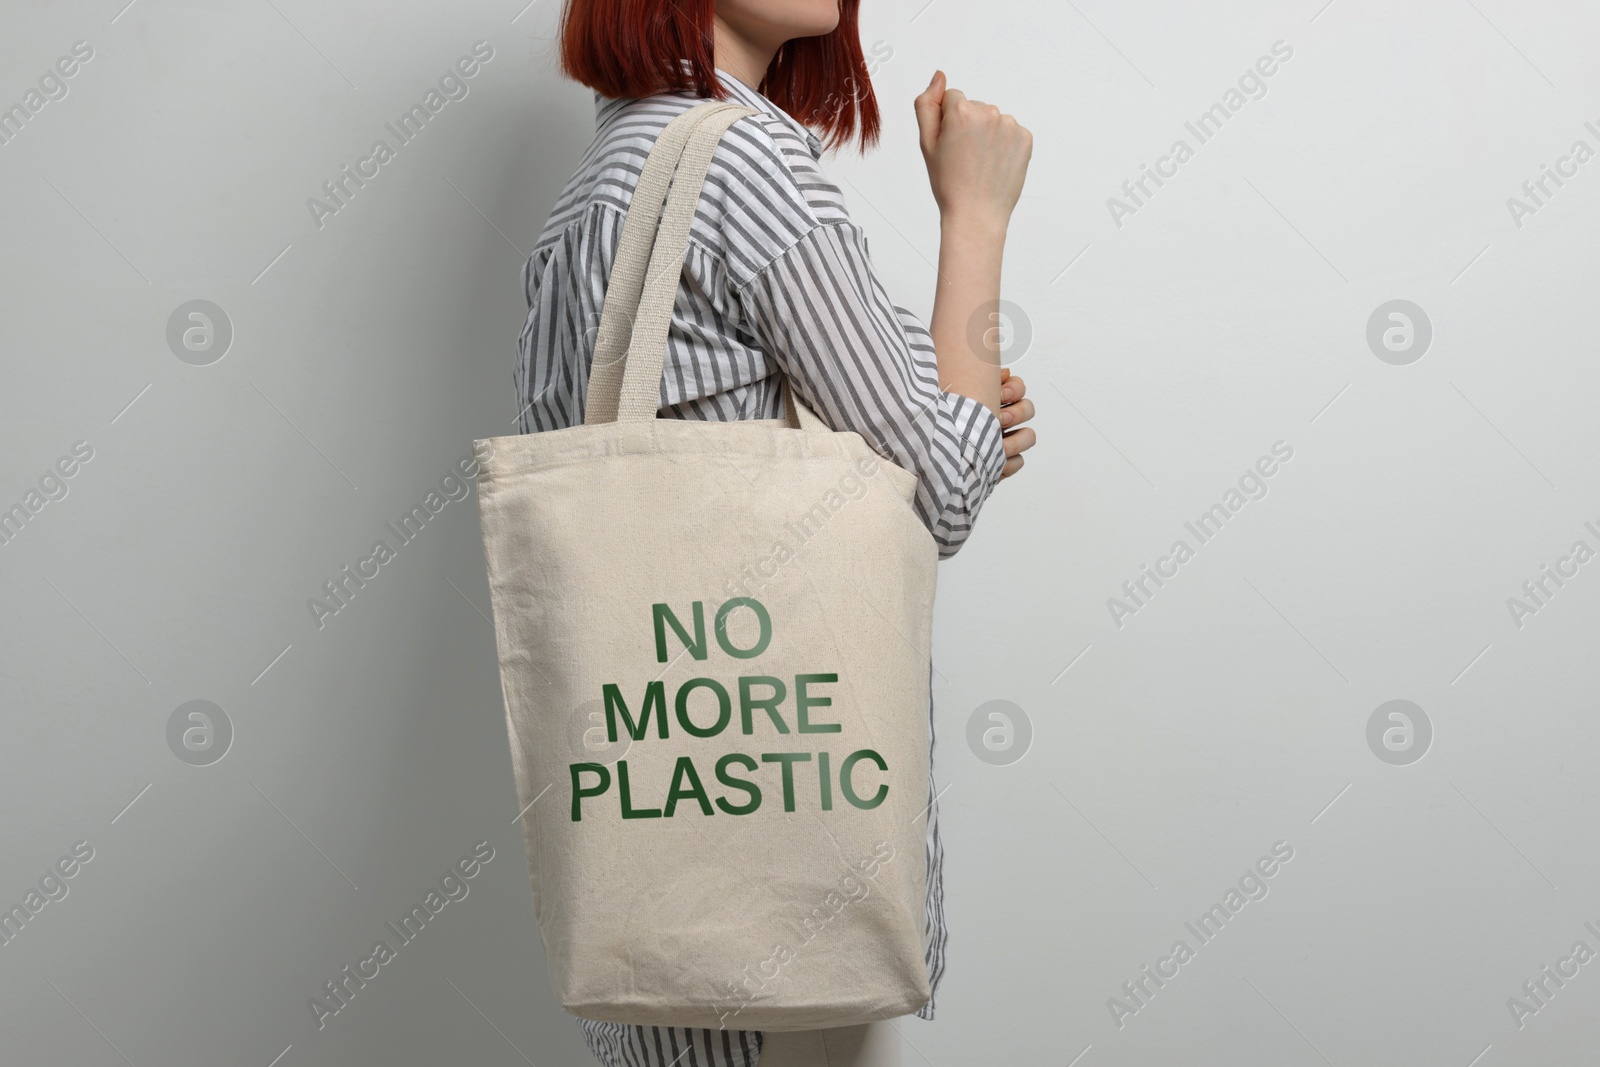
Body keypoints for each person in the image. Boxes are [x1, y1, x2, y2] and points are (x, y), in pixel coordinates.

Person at [512, 1, 1036, 1063]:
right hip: (782, 923)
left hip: (654, 905)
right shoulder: (743, 163)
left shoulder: (607, 173)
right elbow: (937, 489)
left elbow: (919, 428)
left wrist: (955, 418)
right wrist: (975, 214)